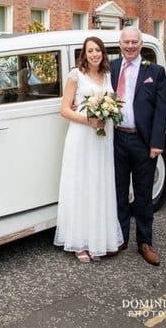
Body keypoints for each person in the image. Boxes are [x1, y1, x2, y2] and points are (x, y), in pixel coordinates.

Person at [54, 37, 124, 262]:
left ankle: (100, 239)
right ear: (84, 54)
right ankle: (80, 242)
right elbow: (64, 110)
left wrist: (109, 112)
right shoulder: (76, 75)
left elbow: (112, 101)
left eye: (98, 50)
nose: (95, 54)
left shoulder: (108, 75)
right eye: (90, 50)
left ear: (103, 53)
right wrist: (89, 121)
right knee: (82, 185)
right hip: (82, 136)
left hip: (102, 140)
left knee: (99, 186)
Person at [111, 26, 166, 266]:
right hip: (116, 139)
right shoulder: (112, 67)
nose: (130, 46)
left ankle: (145, 242)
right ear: (121, 44)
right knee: (119, 191)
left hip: (143, 142)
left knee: (143, 194)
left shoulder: (154, 71)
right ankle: (121, 237)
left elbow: (161, 110)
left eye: (135, 42)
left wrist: (157, 143)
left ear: (141, 44)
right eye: (127, 42)